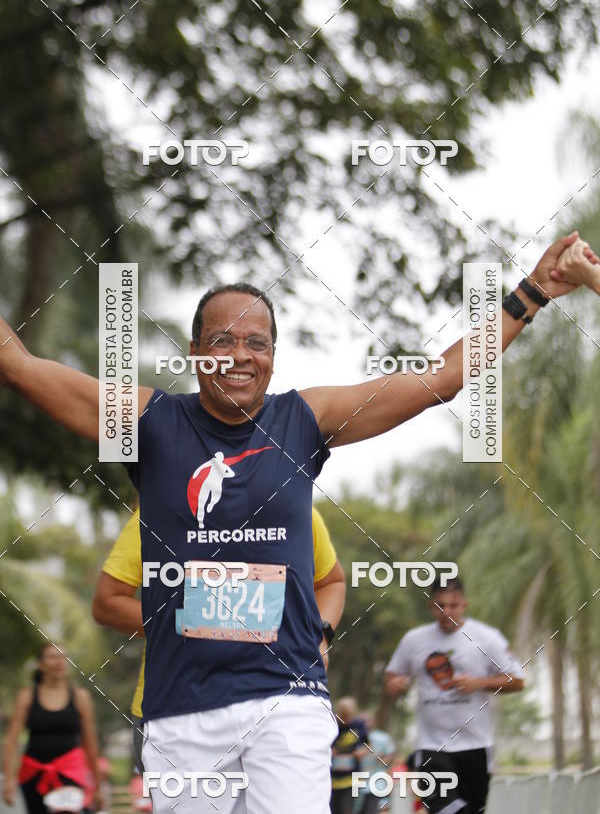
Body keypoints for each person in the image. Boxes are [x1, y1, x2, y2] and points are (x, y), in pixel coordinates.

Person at [0, 232, 594, 812]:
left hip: (286, 700)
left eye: (256, 343)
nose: (239, 357)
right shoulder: (149, 419)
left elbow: (440, 380)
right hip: (181, 708)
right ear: (194, 350)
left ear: (274, 356)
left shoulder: (304, 420)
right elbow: (20, 368)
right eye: (221, 340)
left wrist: (532, 292)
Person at [91, 504, 346, 775]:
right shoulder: (160, 507)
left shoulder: (294, 507)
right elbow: (108, 602)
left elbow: (331, 582)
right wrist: (195, 618)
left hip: (279, 700)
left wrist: (319, 635)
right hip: (177, 705)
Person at [384, 577, 524, 813]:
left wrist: (479, 683)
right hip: (432, 745)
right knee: (445, 808)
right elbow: (391, 674)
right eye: (440, 605)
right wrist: (395, 683)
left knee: (472, 809)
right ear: (431, 606)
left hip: (475, 745)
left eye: (453, 605)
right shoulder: (413, 640)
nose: (446, 611)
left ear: (464, 605)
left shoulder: (487, 637)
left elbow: (517, 681)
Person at [2, 643, 104, 813]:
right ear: (41, 664)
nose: (59, 662)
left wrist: (98, 785)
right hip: (33, 772)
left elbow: (90, 743)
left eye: (63, 657)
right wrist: (8, 779)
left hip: (70, 771)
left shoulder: (80, 697)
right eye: (53, 657)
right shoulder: (26, 696)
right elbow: (11, 740)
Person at [330, 698, 368, 814]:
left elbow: (367, 745)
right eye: (343, 715)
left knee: (347, 809)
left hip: (352, 778)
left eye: (347, 715)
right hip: (332, 778)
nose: (345, 719)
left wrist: (362, 751)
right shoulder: (333, 724)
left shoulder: (358, 725)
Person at [354, 712, 396, 814]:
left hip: (376, 783)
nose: (364, 724)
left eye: (367, 721)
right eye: (361, 721)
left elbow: (391, 756)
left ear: (373, 722)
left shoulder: (381, 738)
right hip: (357, 783)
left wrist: (380, 758)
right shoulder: (353, 737)